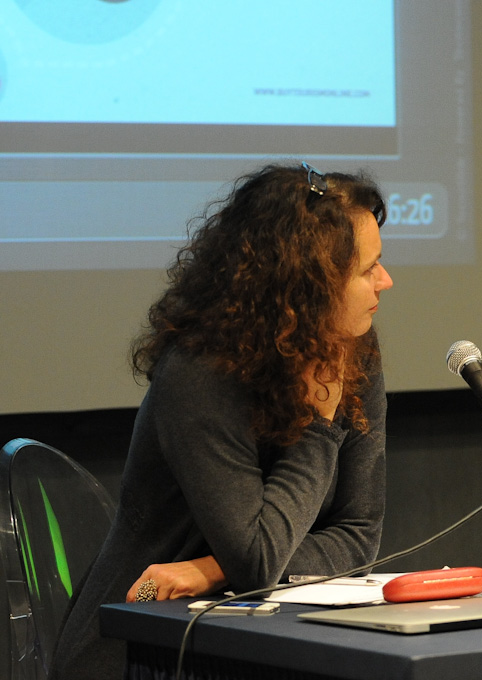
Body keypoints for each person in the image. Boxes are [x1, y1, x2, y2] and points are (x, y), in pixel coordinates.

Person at [50, 162, 394, 679]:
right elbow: (257, 562)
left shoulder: (352, 353)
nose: (386, 282)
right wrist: (320, 427)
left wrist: (212, 572)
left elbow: (359, 533)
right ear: (307, 284)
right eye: (367, 269)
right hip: (146, 644)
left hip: (267, 633)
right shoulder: (201, 371)